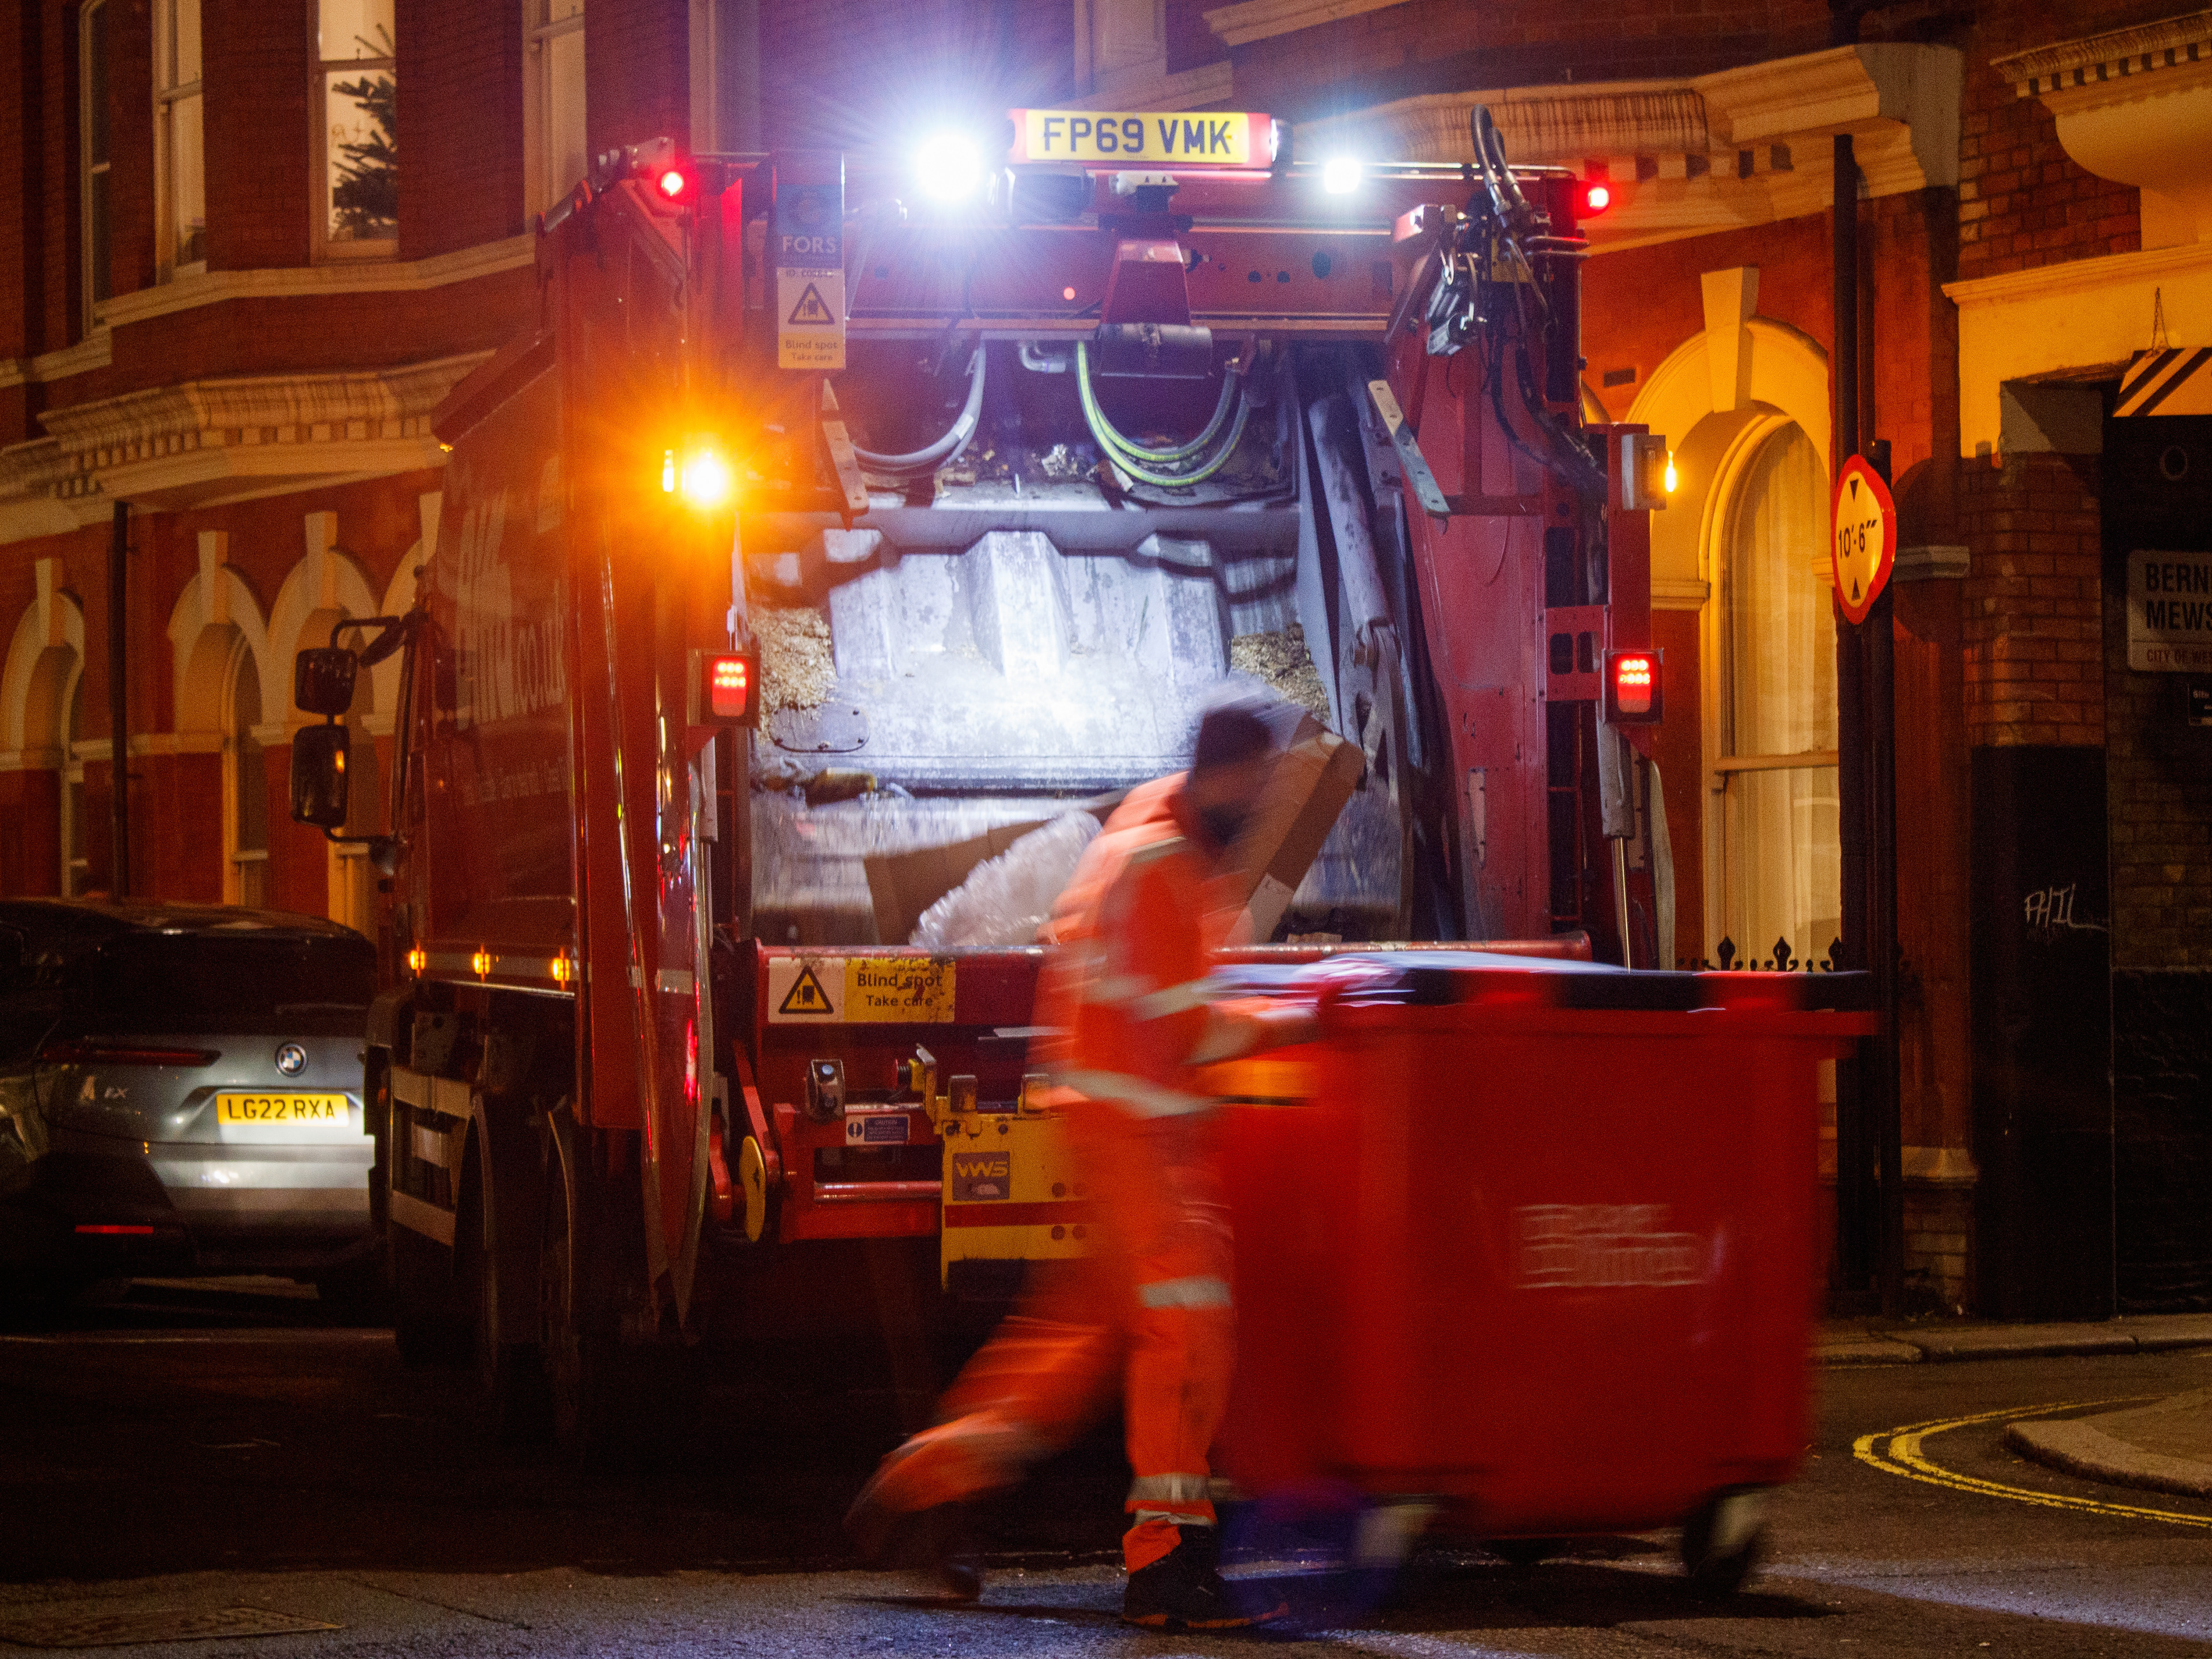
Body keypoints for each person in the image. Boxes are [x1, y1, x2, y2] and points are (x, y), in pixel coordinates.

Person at [846, 688, 1321, 1630]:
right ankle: (1166, 1562)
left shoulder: (1160, 830)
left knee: (1079, 1344)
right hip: (1138, 1130)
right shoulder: (1162, 862)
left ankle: (923, 1488)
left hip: (1114, 1120)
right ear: (1229, 774)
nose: (1267, 799)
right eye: (1261, 780)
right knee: (1186, 1320)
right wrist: (1295, 1020)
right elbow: (1181, 1025)